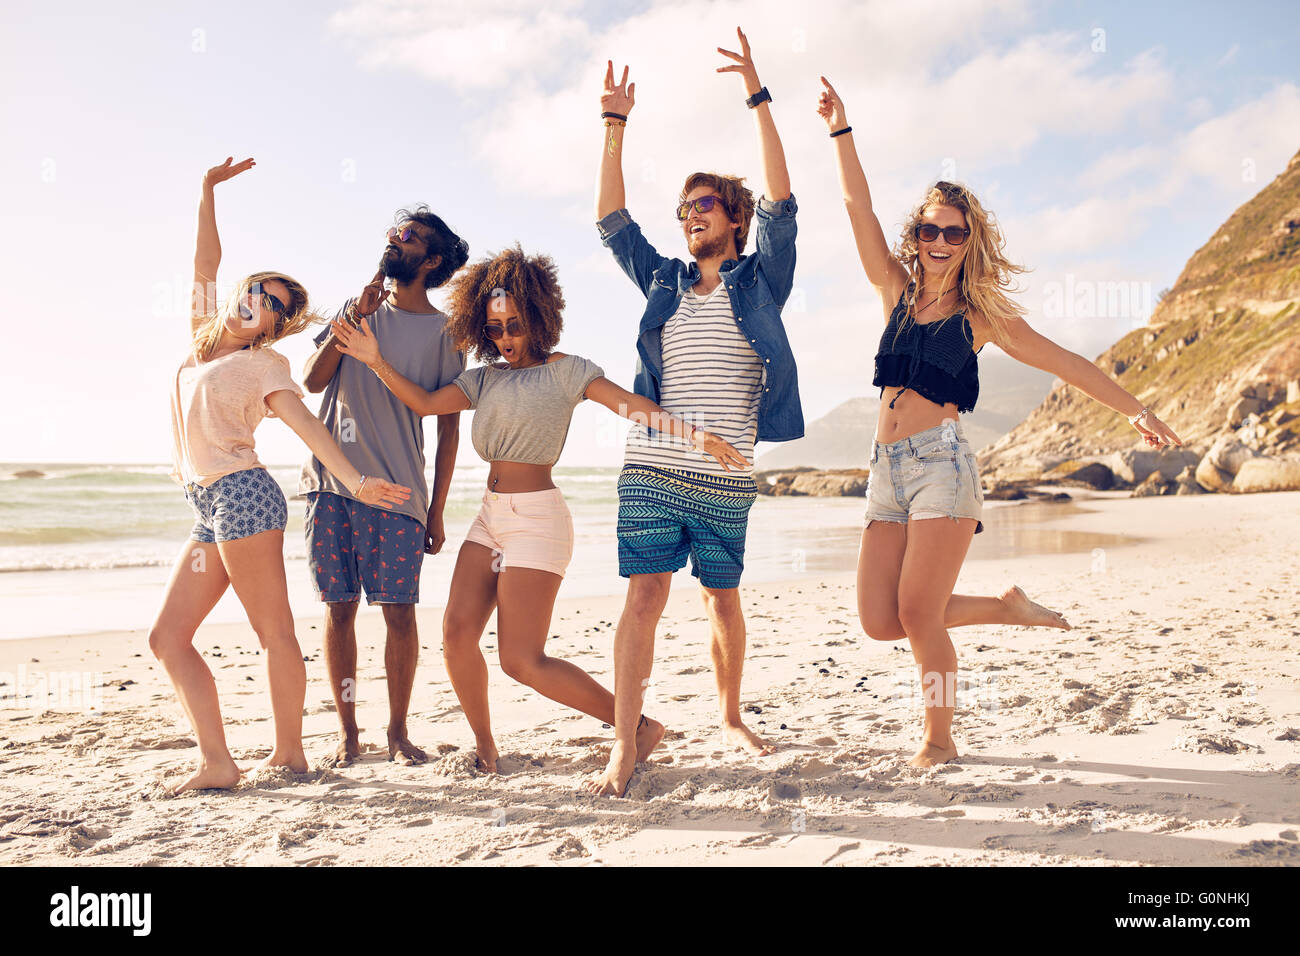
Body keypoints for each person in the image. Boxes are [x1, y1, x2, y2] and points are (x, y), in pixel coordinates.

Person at [815, 79, 1184, 767]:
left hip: (942, 469)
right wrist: (842, 131)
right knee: (878, 620)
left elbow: (1067, 361)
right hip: (884, 472)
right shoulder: (895, 293)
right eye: (929, 229)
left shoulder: (979, 316)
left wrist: (1138, 409)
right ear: (917, 235)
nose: (940, 240)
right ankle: (1008, 607)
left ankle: (939, 739)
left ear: (968, 240)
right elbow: (855, 206)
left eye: (954, 232)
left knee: (920, 616)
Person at [329, 246, 748, 773]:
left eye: (515, 325)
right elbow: (425, 403)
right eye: (496, 328)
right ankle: (486, 747)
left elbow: (632, 406)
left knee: (521, 661)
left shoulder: (566, 372)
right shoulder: (484, 378)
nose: (505, 338)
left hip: (538, 520)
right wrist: (374, 360)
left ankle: (636, 726)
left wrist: (698, 437)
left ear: (540, 317)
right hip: (490, 516)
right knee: (457, 637)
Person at [586, 28, 803, 797]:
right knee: (643, 596)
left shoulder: (761, 280)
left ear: (733, 218)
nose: (688, 217)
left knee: (721, 597)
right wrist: (614, 126)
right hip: (652, 463)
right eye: (682, 208)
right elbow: (612, 220)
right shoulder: (666, 280)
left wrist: (758, 97)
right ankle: (623, 744)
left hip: (725, 472)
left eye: (702, 205)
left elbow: (783, 200)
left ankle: (730, 713)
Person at [151, 157, 411, 794]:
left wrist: (353, 481)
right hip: (206, 504)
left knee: (273, 631)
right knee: (168, 638)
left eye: (273, 303)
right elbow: (203, 264)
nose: (256, 302)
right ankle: (217, 760)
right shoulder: (200, 341)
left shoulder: (265, 364)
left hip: (244, 497)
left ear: (277, 324)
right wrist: (207, 190)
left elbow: (307, 426)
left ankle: (290, 754)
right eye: (256, 290)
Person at [299, 206, 469, 767]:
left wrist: (437, 509)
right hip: (329, 485)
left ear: (433, 259)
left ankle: (397, 732)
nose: (398, 241)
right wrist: (352, 316)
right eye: (397, 233)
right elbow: (312, 380)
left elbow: (449, 428)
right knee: (338, 608)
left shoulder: (448, 334)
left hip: (398, 491)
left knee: (400, 612)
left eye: (412, 237)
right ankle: (348, 733)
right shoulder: (360, 309)